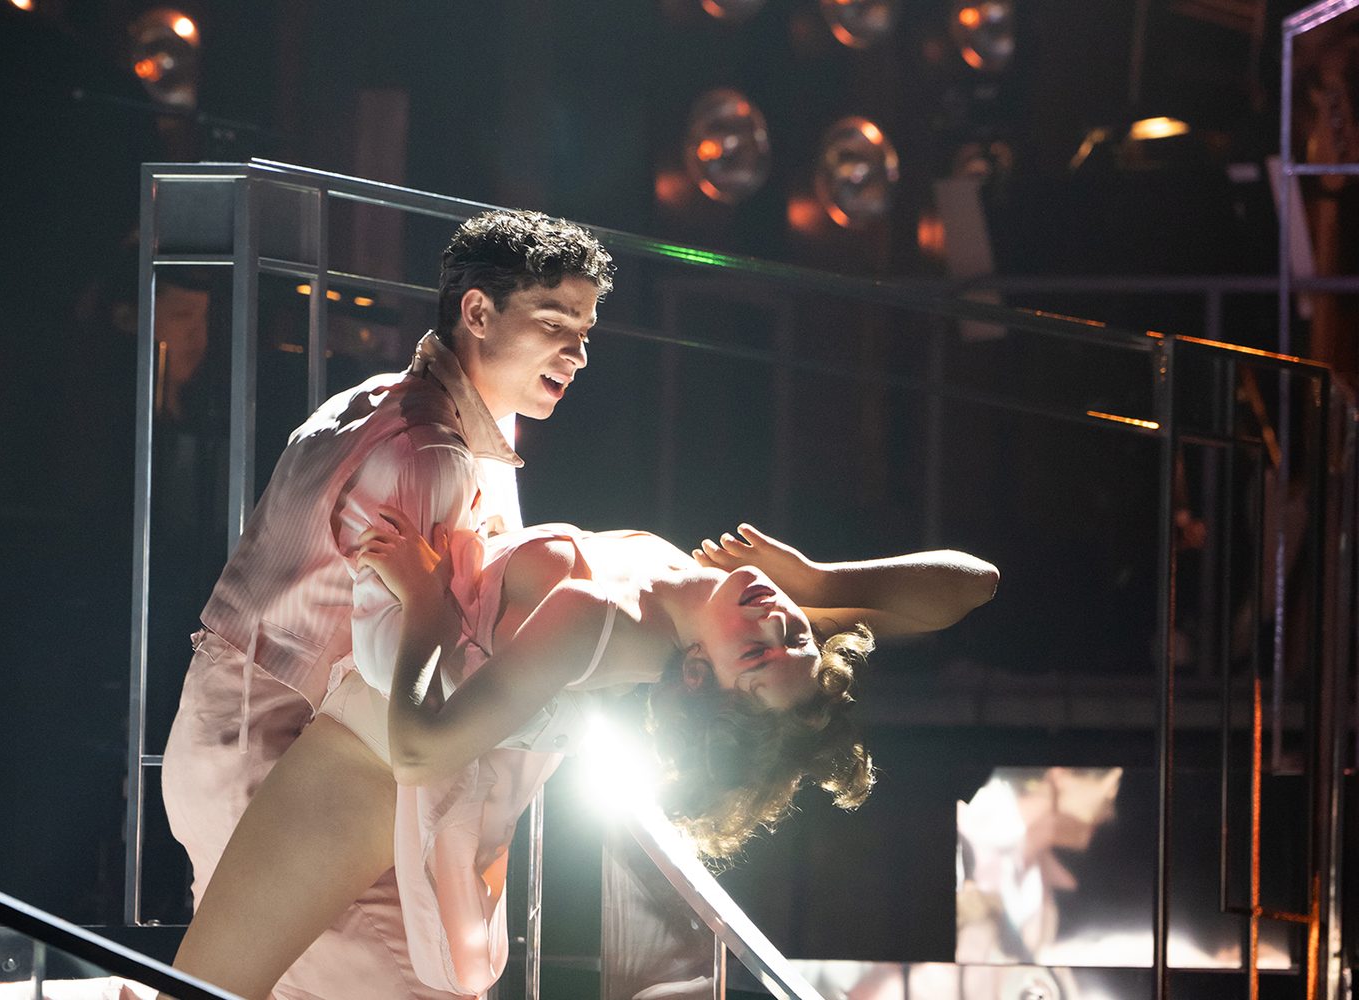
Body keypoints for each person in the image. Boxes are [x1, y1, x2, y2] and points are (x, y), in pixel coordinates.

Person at [172, 513, 998, 1000]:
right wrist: (816, 576)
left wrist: (423, 600)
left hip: (370, 760)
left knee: (198, 987)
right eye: (797, 634)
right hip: (360, 707)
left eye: (761, 652)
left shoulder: (606, 619)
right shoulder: (721, 591)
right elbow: (973, 584)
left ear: (696, 678)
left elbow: (421, 751)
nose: (776, 617)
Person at [159, 208, 614, 993]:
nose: (576, 353)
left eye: (585, 329)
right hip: (284, 758)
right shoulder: (427, 449)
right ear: (477, 312)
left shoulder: (390, 402)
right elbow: (388, 663)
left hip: (266, 747)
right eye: (555, 324)